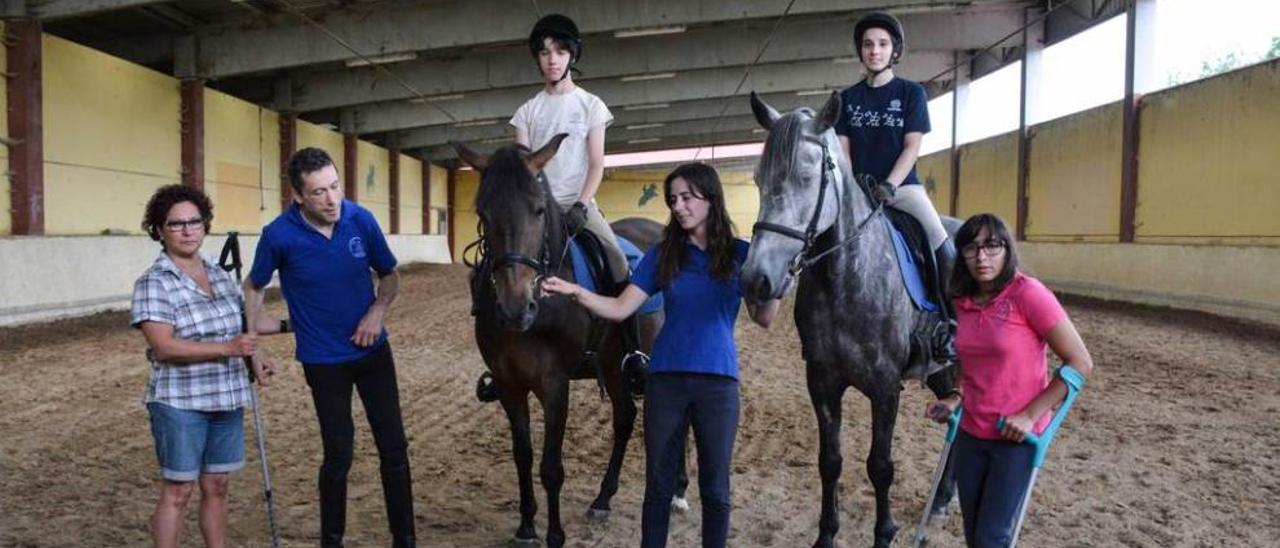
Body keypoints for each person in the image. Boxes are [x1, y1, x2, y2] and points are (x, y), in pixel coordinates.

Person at [542, 163, 781, 548]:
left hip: (718, 386)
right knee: (657, 488)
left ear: (711, 197)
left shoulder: (740, 254)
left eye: (687, 197)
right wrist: (576, 292)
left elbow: (765, 317)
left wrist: (779, 282)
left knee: (716, 490)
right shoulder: (663, 254)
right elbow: (621, 308)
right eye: (673, 200)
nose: (679, 206)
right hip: (665, 383)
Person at [244, 147, 416, 547]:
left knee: (394, 448)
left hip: (373, 353)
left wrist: (377, 312)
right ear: (298, 197)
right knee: (339, 453)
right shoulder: (278, 235)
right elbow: (253, 285)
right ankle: (331, 541)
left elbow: (389, 275)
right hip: (323, 362)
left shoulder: (360, 219)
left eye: (335, 187)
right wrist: (254, 346)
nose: (332, 199)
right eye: (319, 192)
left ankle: (405, 539)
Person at [923, 213, 1095, 548]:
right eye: (971, 248)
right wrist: (954, 397)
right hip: (971, 433)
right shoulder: (963, 302)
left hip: (1015, 439)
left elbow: (1080, 362)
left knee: (992, 538)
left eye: (991, 246)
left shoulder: (1028, 294)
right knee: (975, 534)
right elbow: (969, 359)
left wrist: (1030, 415)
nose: (981, 257)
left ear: (1007, 249)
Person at [131, 184, 282, 548]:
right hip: (180, 402)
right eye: (176, 224)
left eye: (194, 222)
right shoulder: (154, 282)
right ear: (160, 230)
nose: (187, 231)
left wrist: (260, 353)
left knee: (218, 485)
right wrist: (228, 348)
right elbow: (164, 346)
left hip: (226, 397)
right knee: (179, 490)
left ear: (205, 225)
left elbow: (247, 321)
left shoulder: (218, 275)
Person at [835, 11, 957, 366]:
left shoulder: (910, 93)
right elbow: (844, 150)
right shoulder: (847, 98)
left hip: (902, 188)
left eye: (882, 44)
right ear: (861, 51)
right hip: (858, 191)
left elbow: (911, 146)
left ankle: (949, 322)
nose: (875, 50)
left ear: (894, 50)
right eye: (868, 45)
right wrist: (856, 186)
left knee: (938, 237)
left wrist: (889, 184)